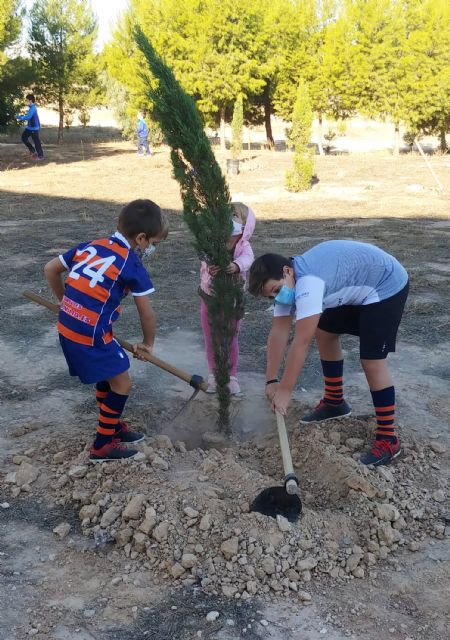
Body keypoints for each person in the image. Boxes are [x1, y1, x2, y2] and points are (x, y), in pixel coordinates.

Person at [248, 240, 409, 466]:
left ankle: (388, 439)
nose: (276, 298)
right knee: (325, 330)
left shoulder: (309, 284)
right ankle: (335, 402)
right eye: (270, 297)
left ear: (286, 271)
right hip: (358, 285)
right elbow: (278, 332)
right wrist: (271, 380)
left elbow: (301, 342)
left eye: (275, 291)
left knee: (371, 360)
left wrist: (285, 391)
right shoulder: (289, 283)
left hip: (385, 285)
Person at [44, 199, 168, 462]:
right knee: (122, 382)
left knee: (109, 373)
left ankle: (111, 424)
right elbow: (146, 312)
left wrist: (64, 301)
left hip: (69, 326)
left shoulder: (93, 245)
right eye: (153, 244)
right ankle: (102, 445)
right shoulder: (131, 265)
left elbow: (51, 269)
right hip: (89, 334)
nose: (151, 249)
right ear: (141, 238)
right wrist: (147, 344)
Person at [200, 202, 256, 395]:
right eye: (227, 214)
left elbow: (249, 259)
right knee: (212, 337)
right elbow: (204, 256)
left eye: (235, 215)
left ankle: (231, 375)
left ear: (245, 225)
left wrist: (237, 265)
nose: (229, 219)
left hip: (234, 299)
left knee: (231, 337)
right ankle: (214, 374)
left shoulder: (244, 245)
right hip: (210, 297)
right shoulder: (214, 242)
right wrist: (210, 266)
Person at [16, 94, 44, 160]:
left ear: (30, 101)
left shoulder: (33, 108)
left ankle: (40, 156)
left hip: (33, 128)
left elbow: (28, 117)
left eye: (27, 100)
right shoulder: (31, 107)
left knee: (36, 142)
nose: (26, 101)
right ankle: (32, 150)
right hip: (30, 128)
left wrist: (20, 117)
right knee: (24, 137)